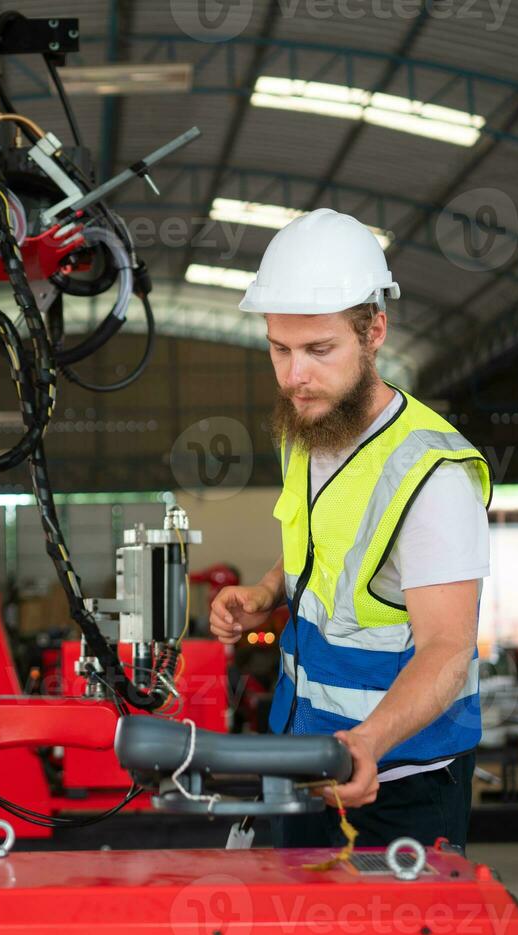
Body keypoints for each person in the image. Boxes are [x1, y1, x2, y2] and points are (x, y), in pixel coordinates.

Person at [210, 208, 492, 850]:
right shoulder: (308, 431)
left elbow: (448, 648)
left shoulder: (432, 476)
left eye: (319, 350)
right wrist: (266, 592)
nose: (294, 376)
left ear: (374, 333)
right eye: (279, 349)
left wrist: (367, 741)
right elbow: (318, 550)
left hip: (398, 779)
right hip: (305, 755)